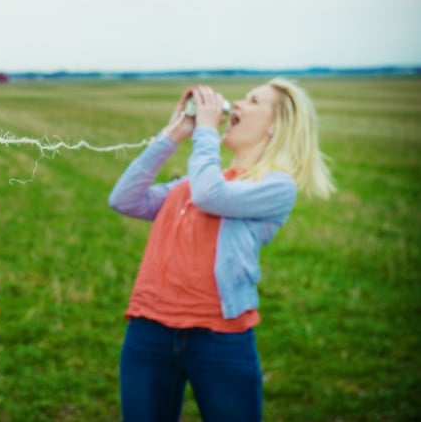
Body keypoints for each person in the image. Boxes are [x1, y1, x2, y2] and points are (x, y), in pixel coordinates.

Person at [109, 80, 335, 422]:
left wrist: (205, 133)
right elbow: (124, 199)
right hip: (148, 332)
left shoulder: (275, 186)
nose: (238, 104)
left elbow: (209, 195)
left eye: (253, 100)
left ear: (276, 126)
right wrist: (173, 134)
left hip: (220, 339)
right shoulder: (189, 184)